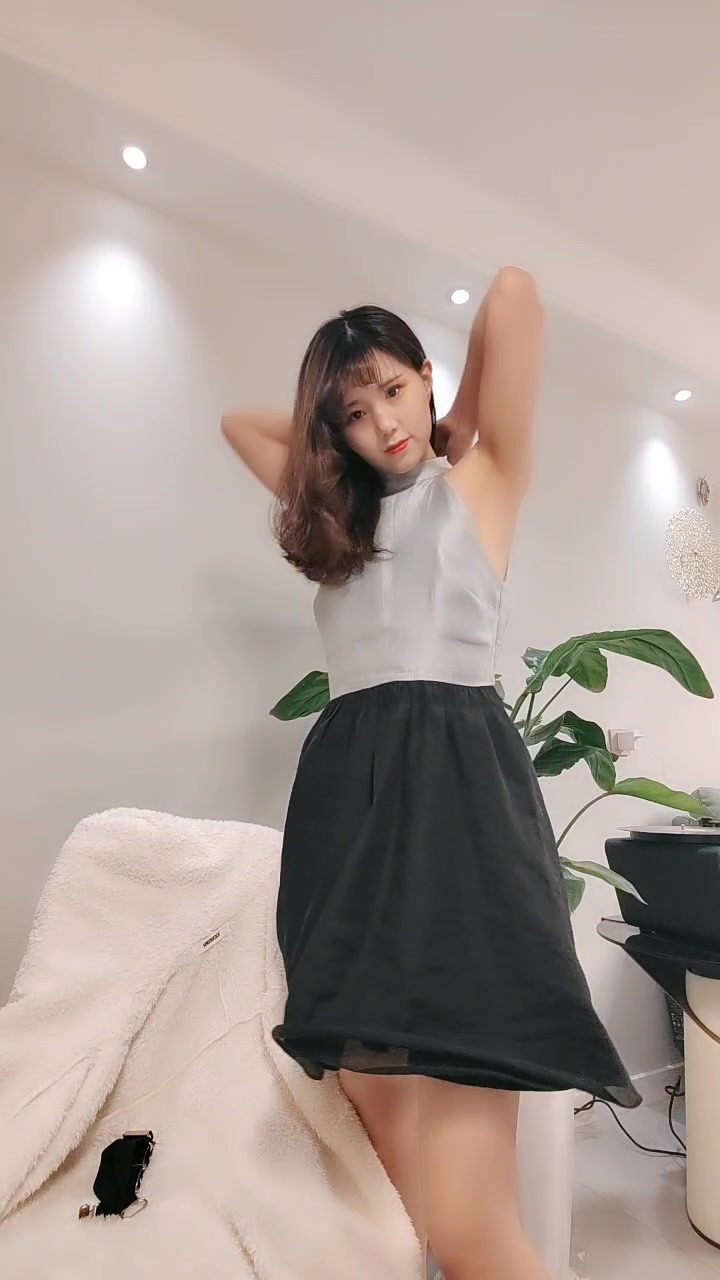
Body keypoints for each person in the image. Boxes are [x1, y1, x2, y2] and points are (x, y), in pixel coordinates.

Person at [222, 268, 640, 1280]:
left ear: (425, 376)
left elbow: (515, 295)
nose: (383, 424)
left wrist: (458, 417)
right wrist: (335, 430)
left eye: (394, 391)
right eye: (354, 414)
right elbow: (240, 424)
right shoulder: (339, 522)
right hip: (348, 832)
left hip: (460, 821)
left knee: (468, 1223)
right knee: (397, 1207)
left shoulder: (483, 483)